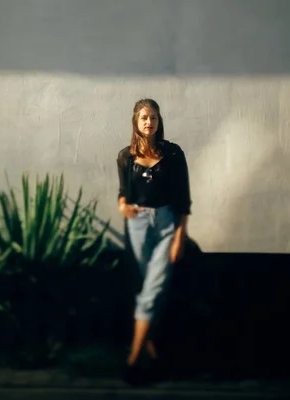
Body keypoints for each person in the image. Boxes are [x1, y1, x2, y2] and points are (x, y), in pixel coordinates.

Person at [116, 98, 191, 382]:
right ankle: (154, 355)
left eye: (154, 118)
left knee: (153, 287)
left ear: (160, 122)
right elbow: (124, 192)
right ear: (136, 122)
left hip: (165, 223)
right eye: (145, 117)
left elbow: (183, 197)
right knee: (146, 290)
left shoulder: (173, 153)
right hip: (137, 224)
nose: (150, 122)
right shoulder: (125, 156)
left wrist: (179, 236)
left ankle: (133, 361)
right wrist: (123, 205)